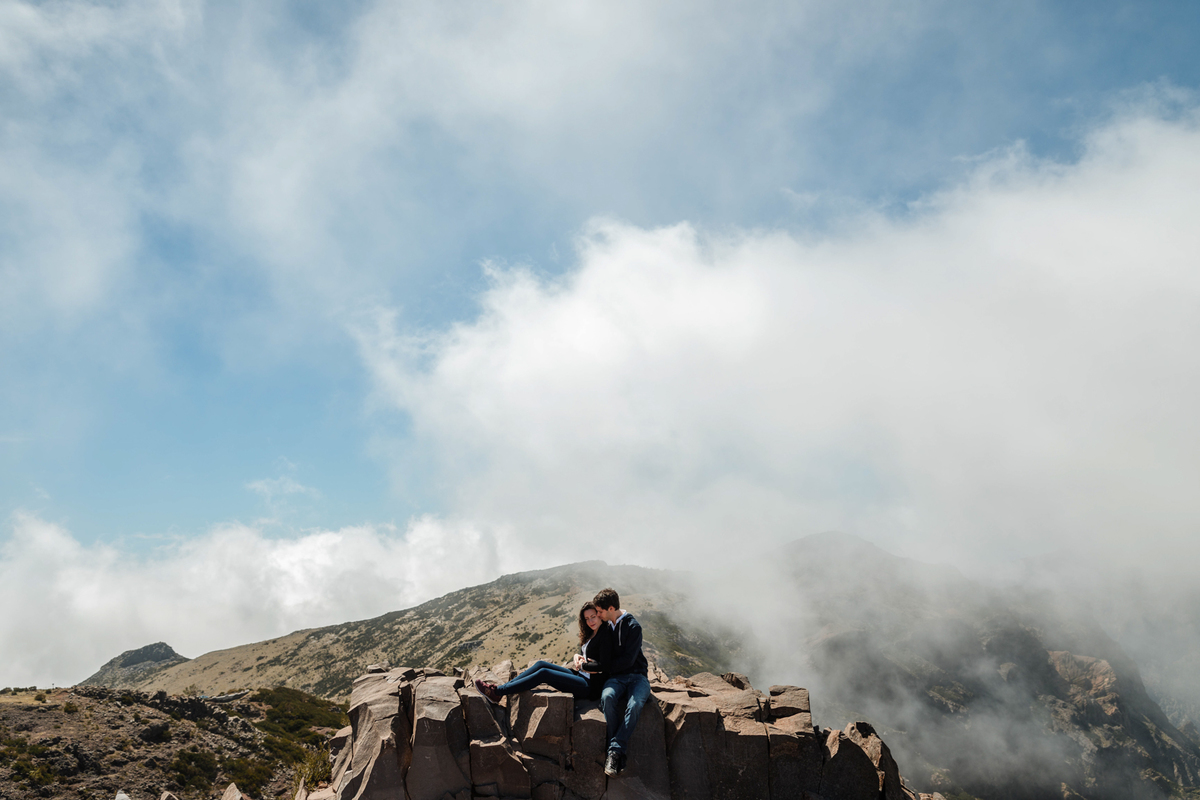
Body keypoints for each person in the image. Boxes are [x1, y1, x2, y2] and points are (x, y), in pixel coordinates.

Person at [475, 602, 611, 702]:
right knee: (540, 664)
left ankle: (498, 692)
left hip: (589, 686)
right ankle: (503, 688)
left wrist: (583, 666)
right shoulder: (592, 633)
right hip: (580, 675)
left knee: (544, 674)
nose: (590, 621)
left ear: (600, 616)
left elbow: (603, 666)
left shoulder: (605, 635)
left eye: (593, 616)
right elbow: (585, 655)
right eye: (587, 618)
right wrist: (576, 656)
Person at [593, 587, 650, 778]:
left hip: (637, 677)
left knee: (635, 705)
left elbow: (628, 660)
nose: (598, 615)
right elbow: (598, 651)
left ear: (611, 608)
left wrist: (604, 668)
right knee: (607, 698)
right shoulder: (608, 627)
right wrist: (581, 658)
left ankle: (615, 752)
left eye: (600, 612)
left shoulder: (634, 627)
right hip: (616, 678)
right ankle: (615, 751)